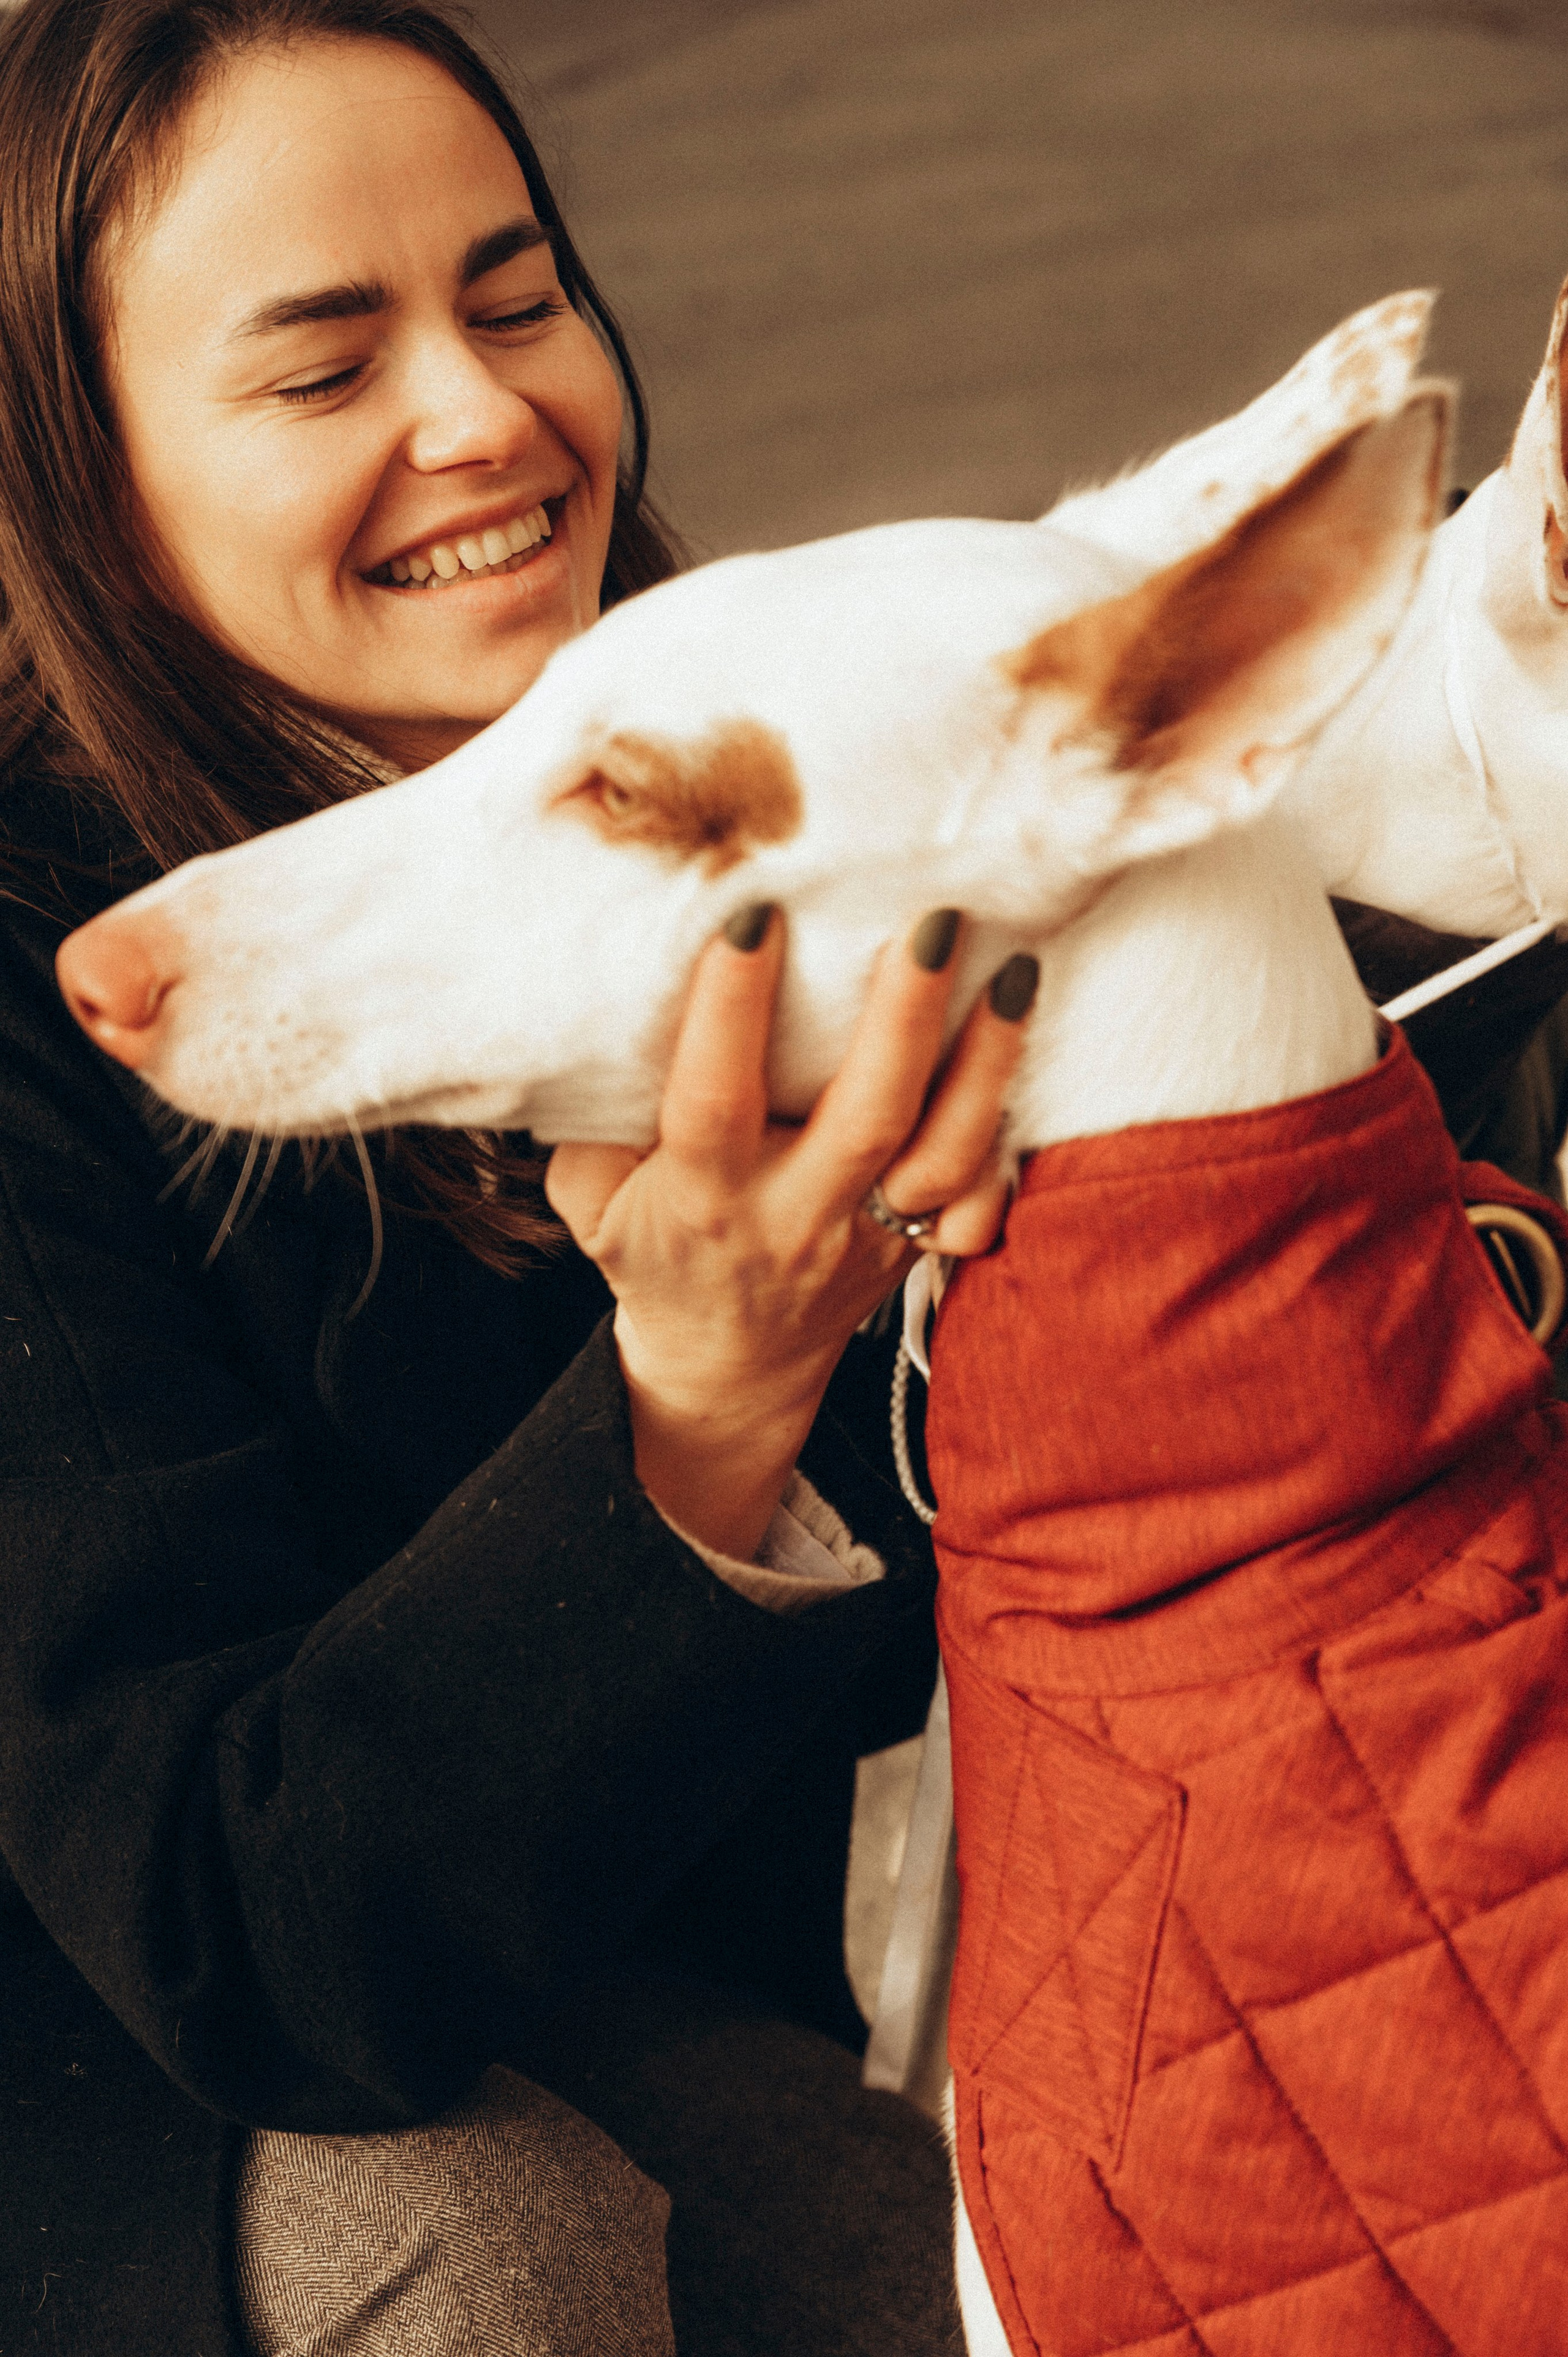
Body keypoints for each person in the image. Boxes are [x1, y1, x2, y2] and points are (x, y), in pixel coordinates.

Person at [0, 2, 1039, 2350]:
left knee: (1043, 2267)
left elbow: (889, 1680)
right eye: (319, 364)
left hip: (574, 1966)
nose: (481, 415)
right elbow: (234, 1945)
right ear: (88, 473)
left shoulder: (723, 769)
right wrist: (696, 1399)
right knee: (507, 2254)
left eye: (512, 293)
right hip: (127, 2076)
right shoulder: (42, 981)